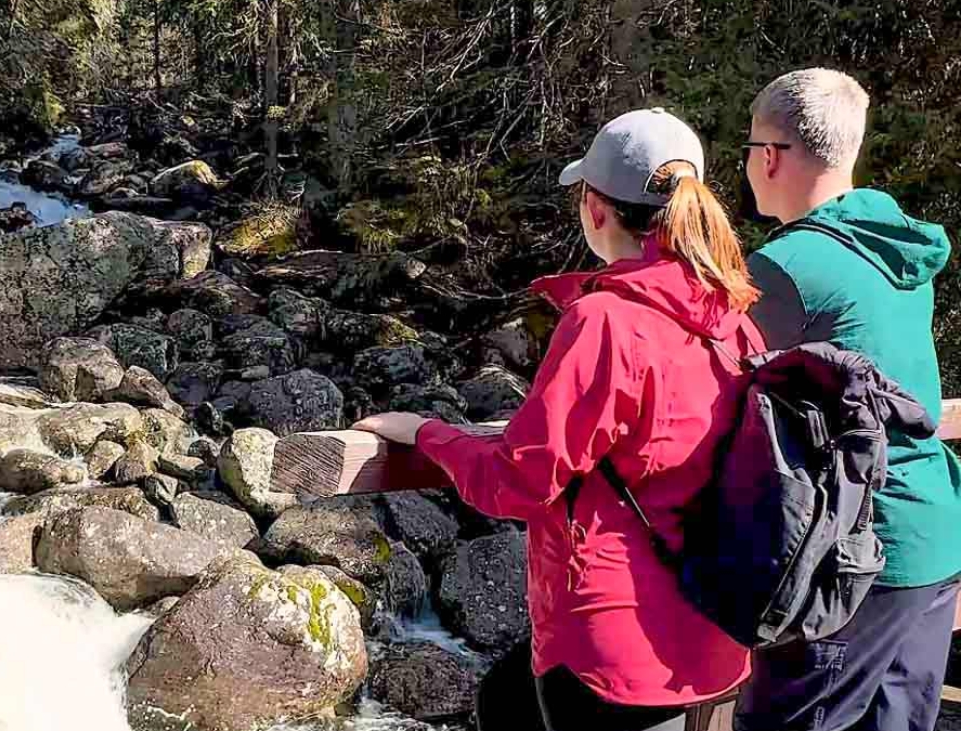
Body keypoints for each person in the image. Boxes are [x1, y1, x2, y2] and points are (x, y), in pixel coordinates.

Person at [354, 108, 760, 731]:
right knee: (502, 703)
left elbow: (518, 480)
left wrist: (426, 434)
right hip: (712, 622)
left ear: (596, 209)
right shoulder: (731, 314)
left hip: (614, 638)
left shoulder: (606, 322)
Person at [734, 67, 961, 731]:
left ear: (769, 157)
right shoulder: (896, 244)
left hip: (860, 553)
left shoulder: (786, 267)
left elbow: (708, 383)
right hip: (935, 536)